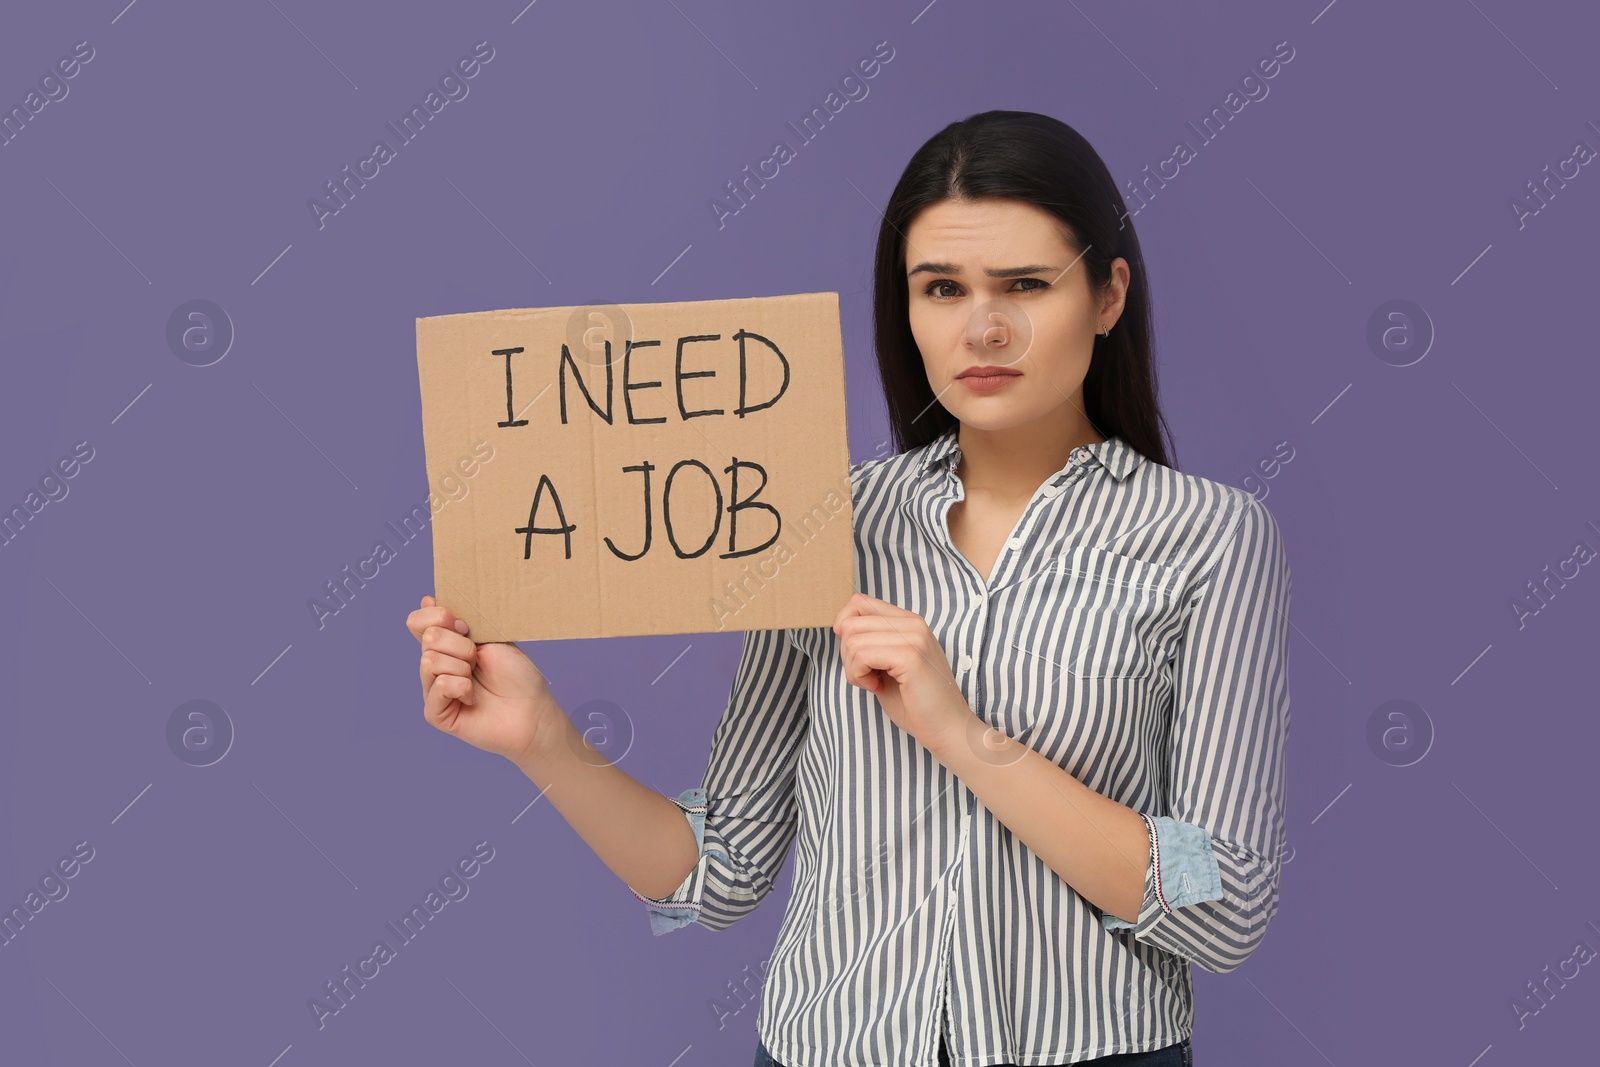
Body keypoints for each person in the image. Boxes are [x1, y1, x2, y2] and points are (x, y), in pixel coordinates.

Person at [406, 109, 1290, 1067]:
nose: (984, 326)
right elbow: (721, 870)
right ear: (906, 310)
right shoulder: (823, 523)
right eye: (942, 287)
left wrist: (966, 736)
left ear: (1109, 295)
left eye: (1027, 284)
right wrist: (544, 741)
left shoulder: (1210, 537)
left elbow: (1221, 896)